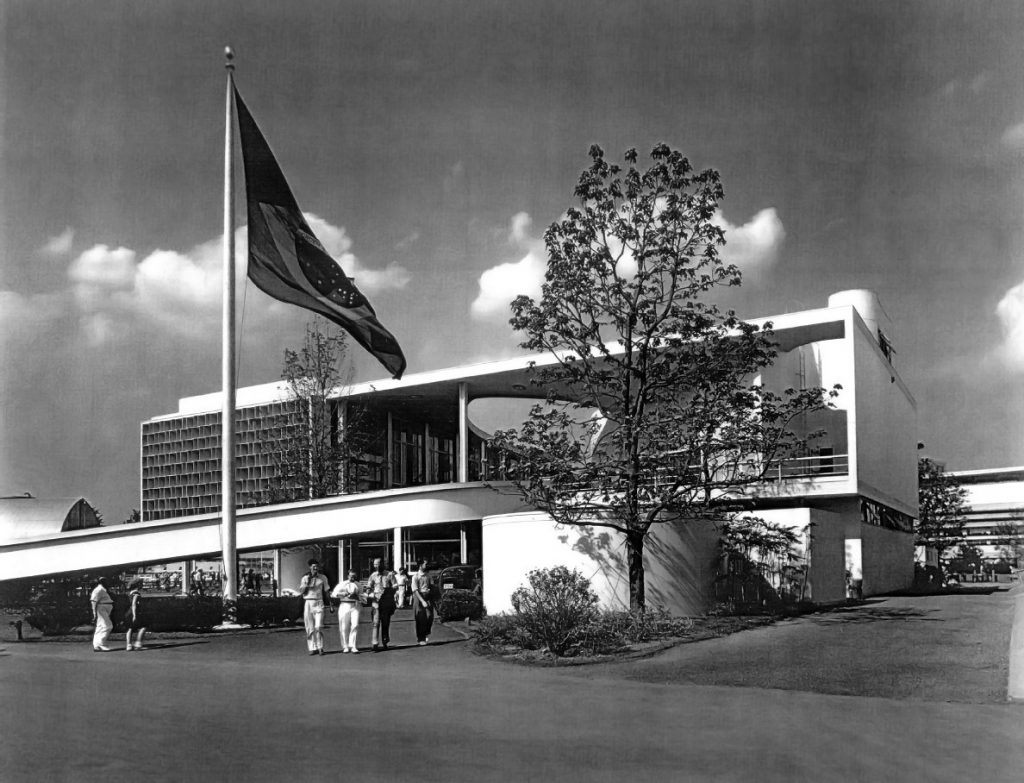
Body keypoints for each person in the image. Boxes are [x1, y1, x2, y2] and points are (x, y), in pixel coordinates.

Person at [298, 559, 332, 656]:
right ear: (310, 567)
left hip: (319, 602)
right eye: (313, 567)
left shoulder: (323, 578)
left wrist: (330, 604)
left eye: (317, 566)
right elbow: (302, 592)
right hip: (308, 602)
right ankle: (312, 647)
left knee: (318, 626)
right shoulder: (305, 578)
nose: (315, 568)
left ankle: (320, 647)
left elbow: (326, 591)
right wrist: (308, 582)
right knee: (310, 627)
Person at [366, 558, 397, 650]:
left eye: (378, 564)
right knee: (375, 622)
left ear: (382, 564)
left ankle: (385, 641)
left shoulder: (389, 574)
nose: (376, 566)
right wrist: (368, 592)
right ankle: (374, 643)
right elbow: (369, 586)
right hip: (376, 601)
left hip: (386, 601)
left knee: (385, 622)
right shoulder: (373, 575)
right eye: (375, 564)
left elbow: (395, 585)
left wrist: (389, 592)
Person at [331, 570, 363, 653]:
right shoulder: (342, 584)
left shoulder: (358, 585)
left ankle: (353, 645)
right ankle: (345, 646)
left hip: (355, 605)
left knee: (355, 625)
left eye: (354, 576)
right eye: (351, 576)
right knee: (344, 626)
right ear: (348, 576)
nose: (353, 578)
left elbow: (363, 597)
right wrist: (342, 594)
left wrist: (357, 596)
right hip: (344, 605)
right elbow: (334, 594)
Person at [412, 559, 434, 646]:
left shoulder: (428, 575)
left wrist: (431, 592)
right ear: (420, 565)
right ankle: (421, 638)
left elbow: (432, 586)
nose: (427, 565)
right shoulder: (416, 576)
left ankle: (426, 632)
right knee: (420, 618)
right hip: (419, 597)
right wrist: (422, 601)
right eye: (425, 564)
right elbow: (415, 590)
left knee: (429, 616)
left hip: (427, 596)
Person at [89, 576, 114, 652]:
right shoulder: (98, 590)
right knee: (108, 626)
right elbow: (94, 601)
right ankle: (101, 644)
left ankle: (96, 645)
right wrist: (94, 613)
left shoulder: (103, 590)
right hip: (101, 608)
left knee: (100, 627)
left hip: (105, 608)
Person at [124, 579, 147, 651]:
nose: (142, 585)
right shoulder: (137, 593)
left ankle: (129, 645)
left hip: (128, 613)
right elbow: (134, 604)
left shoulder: (130, 593)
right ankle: (138, 643)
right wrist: (134, 615)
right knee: (143, 627)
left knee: (130, 628)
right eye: (141, 584)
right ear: (137, 585)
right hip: (134, 612)